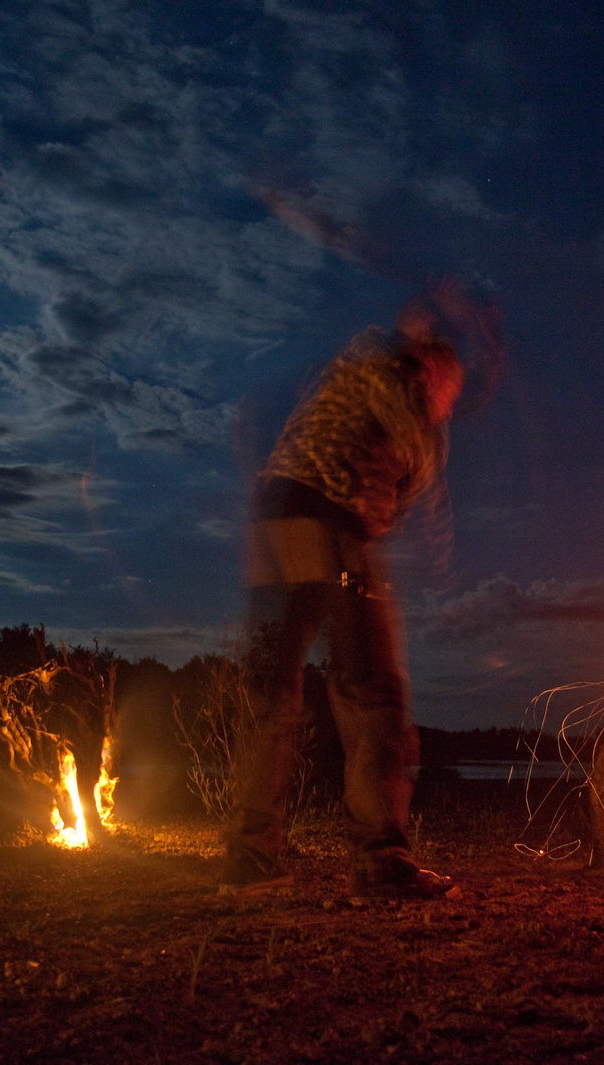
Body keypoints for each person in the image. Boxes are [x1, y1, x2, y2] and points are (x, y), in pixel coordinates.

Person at [221, 290, 470, 900]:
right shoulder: (389, 376)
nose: (446, 407)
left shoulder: (370, 385)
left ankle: (251, 862)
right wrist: (414, 343)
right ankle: (381, 861)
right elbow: (410, 462)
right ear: (431, 372)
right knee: (372, 692)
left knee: (271, 691)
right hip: (326, 527)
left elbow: (412, 491)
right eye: (447, 393)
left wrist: (429, 518)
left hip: (274, 528)